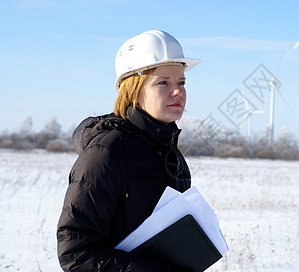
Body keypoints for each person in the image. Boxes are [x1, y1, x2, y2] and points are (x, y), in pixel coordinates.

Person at [57, 30, 201, 271]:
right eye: (163, 82)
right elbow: (76, 253)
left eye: (181, 82)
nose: (178, 92)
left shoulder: (173, 156)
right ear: (133, 90)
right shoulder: (106, 153)